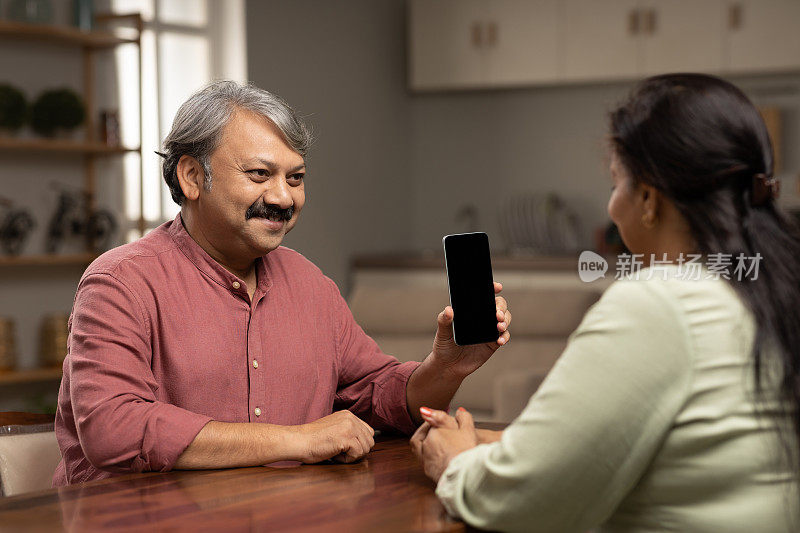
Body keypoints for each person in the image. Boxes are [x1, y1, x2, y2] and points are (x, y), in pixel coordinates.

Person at [52, 81, 512, 485]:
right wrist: (298, 441)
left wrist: (446, 366)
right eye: (259, 175)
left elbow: (380, 397)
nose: (283, 198)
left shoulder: (310, 284)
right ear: (191, 176)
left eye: (296, 179)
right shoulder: (119, 283)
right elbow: (113, 429)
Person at [411, 73, 800, 532]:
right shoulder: (767, 288)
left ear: (650, 199)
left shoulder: (658, 302)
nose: (612, 206)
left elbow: (525, 501)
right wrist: (503, 444)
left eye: (616, 184)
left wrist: (452, 462)